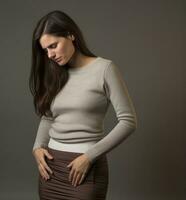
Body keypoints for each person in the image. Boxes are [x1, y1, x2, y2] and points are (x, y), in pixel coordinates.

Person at [29, 10, 137, 200]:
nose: (50, 55)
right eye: (45, 50)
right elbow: (48, 117)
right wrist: (37, 147)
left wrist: (89, 157)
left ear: (71, 35)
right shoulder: (55, 73)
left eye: (53, 46)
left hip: (86, 169)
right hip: (51, 170)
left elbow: (128, 121)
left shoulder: (104, 69)